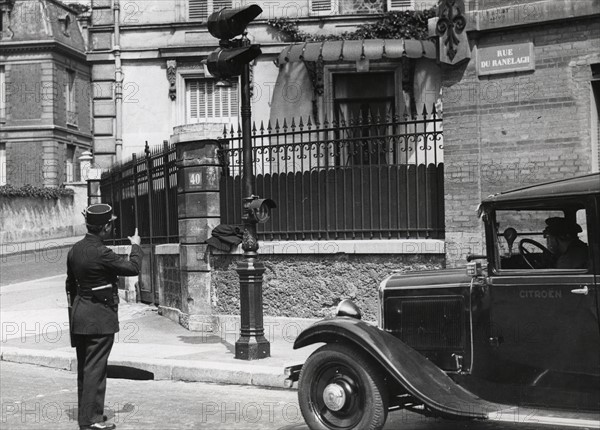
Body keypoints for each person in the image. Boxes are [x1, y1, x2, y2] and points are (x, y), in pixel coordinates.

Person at [66, 204, 142, 430]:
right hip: (99, 318)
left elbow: (71, 285)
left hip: (80, 315)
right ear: (106, 227)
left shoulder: (75, 250)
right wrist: (135, 246)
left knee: (86, 369)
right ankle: (91, 421)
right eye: (111, 224)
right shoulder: (101, 252)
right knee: (96, 369)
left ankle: (87, 417)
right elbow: (132, 268)